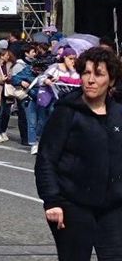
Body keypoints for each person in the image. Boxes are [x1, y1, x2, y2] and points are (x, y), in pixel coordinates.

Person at [35, 47, 122, 260]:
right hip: (73, 204)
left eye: (98, 74)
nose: (90, 80)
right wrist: (52, 201)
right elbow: (46, 159)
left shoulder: (118, 113)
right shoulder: (66, 111)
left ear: (111, 81)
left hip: (113, 207)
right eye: (86, 73)